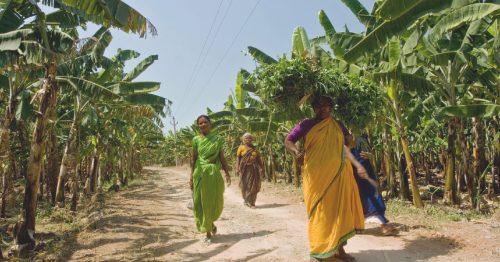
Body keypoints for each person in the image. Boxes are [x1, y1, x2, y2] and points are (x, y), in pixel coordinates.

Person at [285, 95, 368, 262]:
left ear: (331, 107)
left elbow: (348, 143)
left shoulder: (338, 124)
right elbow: (288, 140)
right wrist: (296, 152)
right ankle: (318, 250)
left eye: (326, 106)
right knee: (320, 212)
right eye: (318, 106)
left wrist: (351, 140)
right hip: (316, 177)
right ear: (313, 108)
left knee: (340, 211)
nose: (322, 109)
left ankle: (339, 250)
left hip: (339, 174)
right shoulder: (306, 124)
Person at [190, 115, 231, 244]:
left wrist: (227, 173)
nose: (203, 125)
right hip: (199, 173)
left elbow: (222, 157)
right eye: (200, 123)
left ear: (210, 124)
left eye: (205, 122)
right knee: (199, 202)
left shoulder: (218, 139)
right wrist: (191, 176)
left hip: (212, 174)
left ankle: (208, 231)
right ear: (198, 126)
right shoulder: (196, 139)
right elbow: (193, 158)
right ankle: (209, 227)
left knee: (210, 201)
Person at [348, 134, 398, 236]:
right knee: (365, 192)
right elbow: (343, 146)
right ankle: (382, 224)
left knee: (369, 191)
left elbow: (365, 147)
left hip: (363, 163)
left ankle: (381, 223)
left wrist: (369, 155)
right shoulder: (339, 126)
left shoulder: (362, 131)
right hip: (351, 164)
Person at [236, 132, 264, 208]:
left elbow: (258, 158)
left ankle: (252, 202)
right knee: (245, 185)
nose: (248, 139)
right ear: (243, 140)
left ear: (252, 139)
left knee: (253, 185)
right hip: (244, 169)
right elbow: (238, 158)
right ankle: (247, 201)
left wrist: (261, 167)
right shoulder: (241, 147)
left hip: (254, 169)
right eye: (246, 138)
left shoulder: (254, 148)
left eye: (249, 138)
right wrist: (237, 168)